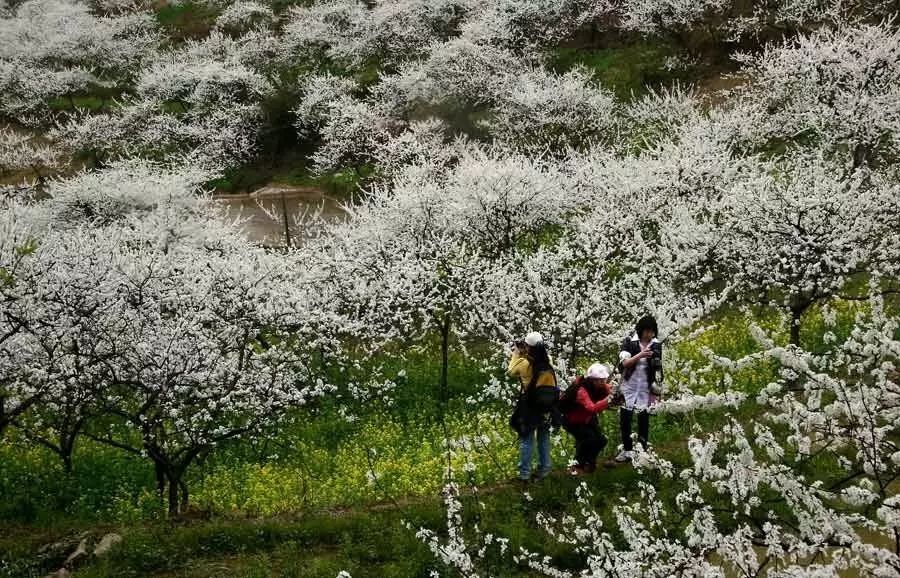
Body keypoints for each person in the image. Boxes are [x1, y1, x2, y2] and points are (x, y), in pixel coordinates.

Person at [507, 331, 558, 482]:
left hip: (530, 406)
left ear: (528, 347)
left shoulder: (523, 363)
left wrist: (516, 353)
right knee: (543, 437)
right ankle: (544, 469)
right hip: (547, 406)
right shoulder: (547, 361)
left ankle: (524, 474)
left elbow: (510, 371)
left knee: (527, 438)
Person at [615, 316, 663, 462]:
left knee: (643, 419)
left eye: (652, 332)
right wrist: (641, 355)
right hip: (629, 386)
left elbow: (658, 366)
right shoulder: (630, 343)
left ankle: (642, 450)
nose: (649, 335)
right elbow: (625, 363)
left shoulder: (656, 345)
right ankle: (627, 450)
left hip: (645, 387)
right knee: (626, 419)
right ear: (640, 330)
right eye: (646, 331)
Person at [561, 363, 614, 475]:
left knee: (601, 440)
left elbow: (609, 392)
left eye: (603, 380)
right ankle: (576, 466)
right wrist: (608, 400)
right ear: (592, 380)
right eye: (599, 380)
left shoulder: (601, 386)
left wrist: (616, 397)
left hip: (587, 419)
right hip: (572, 421)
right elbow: (592, 407)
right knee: (587, 439)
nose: (602, 382)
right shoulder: (581, 390)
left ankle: (589, 462)